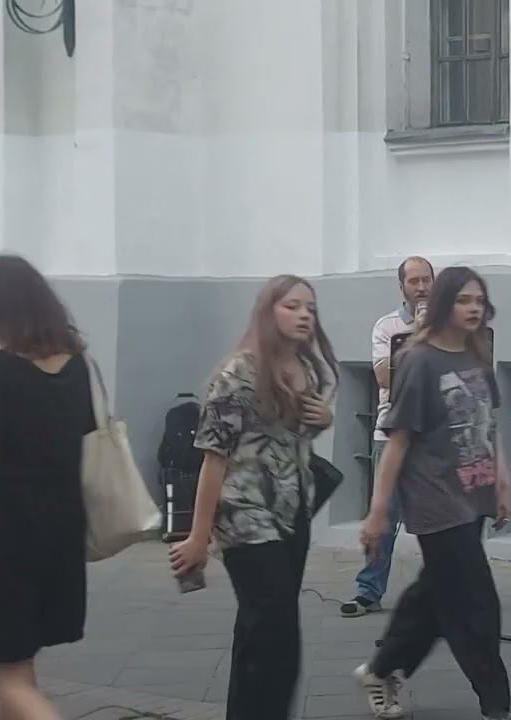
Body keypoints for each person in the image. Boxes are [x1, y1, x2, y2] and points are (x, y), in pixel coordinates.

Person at [169, 274, 338, 720]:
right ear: (267, 312)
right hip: (243, 514)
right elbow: (213, 457)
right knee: (278, 630)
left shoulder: (306, 370)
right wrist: (198, 536)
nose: (304, 315)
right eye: (292, 306)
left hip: (292, 512)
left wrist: (323, 419)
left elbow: (293, 441)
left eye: (310, 308)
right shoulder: (239, 373)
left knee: (259, 630)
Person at [355, 267, 511, 720]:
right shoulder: (419, 361)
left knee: (434, 595)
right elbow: (398, 441)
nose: (474, 308)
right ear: (444, 304)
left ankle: (381, 668)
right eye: (464, 300)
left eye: (479, 300)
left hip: (474, 495)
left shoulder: (478, 355)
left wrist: (502, 481)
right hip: (436, 499)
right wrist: (378, 511)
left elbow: (488, 425)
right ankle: (496, 705)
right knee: (475, 603)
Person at [0, 254, 97, 720]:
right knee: (21, 662)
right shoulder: (76, 367)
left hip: (8, 531)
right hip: (63, 525)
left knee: (4, 677)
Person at [341, 256, 434, 619]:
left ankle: (441, 590)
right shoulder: (387, 326)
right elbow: (384, 377)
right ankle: (369, 590)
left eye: (427, 280)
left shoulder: (449, 325)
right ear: (402, 287)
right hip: (392, 431)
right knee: (384, 514)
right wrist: (420, 337)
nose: (422, 287)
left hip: (435, 435)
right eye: (414, 281)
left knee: (440, 519)